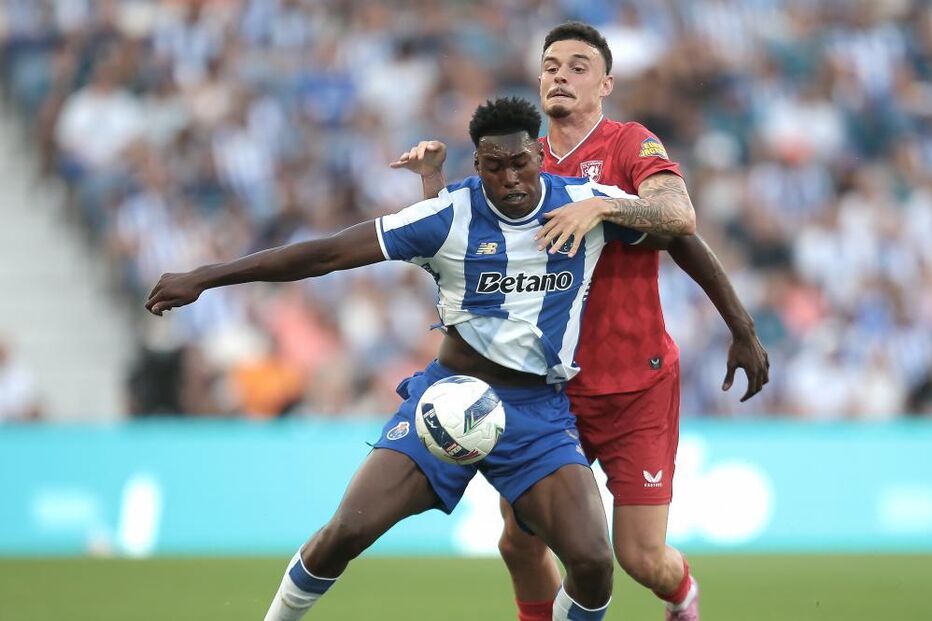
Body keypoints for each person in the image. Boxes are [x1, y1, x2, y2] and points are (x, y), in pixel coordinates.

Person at [146, 97, 694, 621]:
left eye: (521, 163)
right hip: (447, 399)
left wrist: (739, 325)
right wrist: (205, 277)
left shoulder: (585, 203)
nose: (510, 179)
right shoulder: (447, 214)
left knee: (595, 563)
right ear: (476, 164)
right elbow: (328, 252)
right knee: (347, 532)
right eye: (495, 166)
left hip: (536, 411)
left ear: (538, 155)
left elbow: (680, 231)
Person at [392, 21, 770, 621]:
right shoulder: (521, 163)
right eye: (550, 66)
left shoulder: (628, 145)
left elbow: (680, 219)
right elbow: (460, 246)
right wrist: (433, 182)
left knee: (641, 559)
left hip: (635, 386)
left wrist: (741, 327)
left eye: (576, 66)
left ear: (605, 85)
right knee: (517, 541)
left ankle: (682, 595)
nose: (560, 75)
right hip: (549, 392)